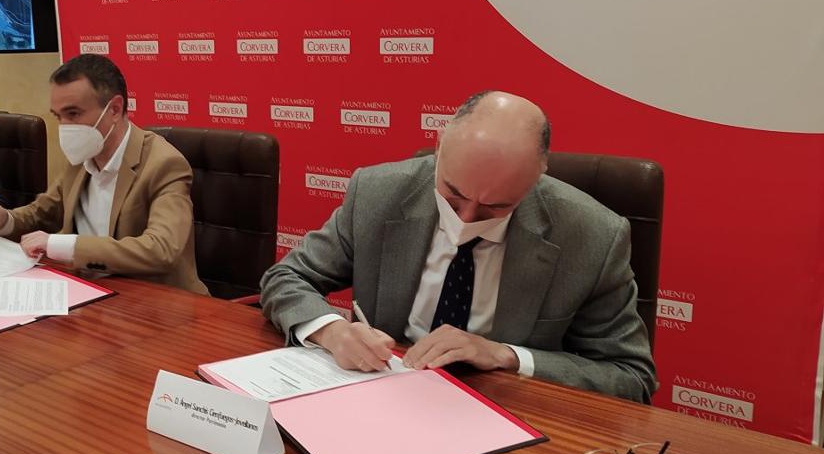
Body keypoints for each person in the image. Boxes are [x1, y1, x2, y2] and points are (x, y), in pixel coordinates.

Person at [259, 91, 656, 402]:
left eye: (495, 206)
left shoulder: (592, 236)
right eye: (452, 196)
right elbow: (287, 277)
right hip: (384, 399)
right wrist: (331, 331)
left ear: (538, 176)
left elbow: (630, 376)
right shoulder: (378, 194)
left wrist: (506, 355)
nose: (466, 219)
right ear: (438, 146)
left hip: (506, 420)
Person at [0, 53, 207, 294]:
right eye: (58, 116)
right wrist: (3, 220)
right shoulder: (82, 156)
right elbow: (42, 213)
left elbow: (161, 249)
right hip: (90, 294)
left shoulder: (164, 164)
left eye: (73, 114)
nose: (65, 127)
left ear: (114, 109)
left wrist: (61, 245)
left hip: (157, 303)